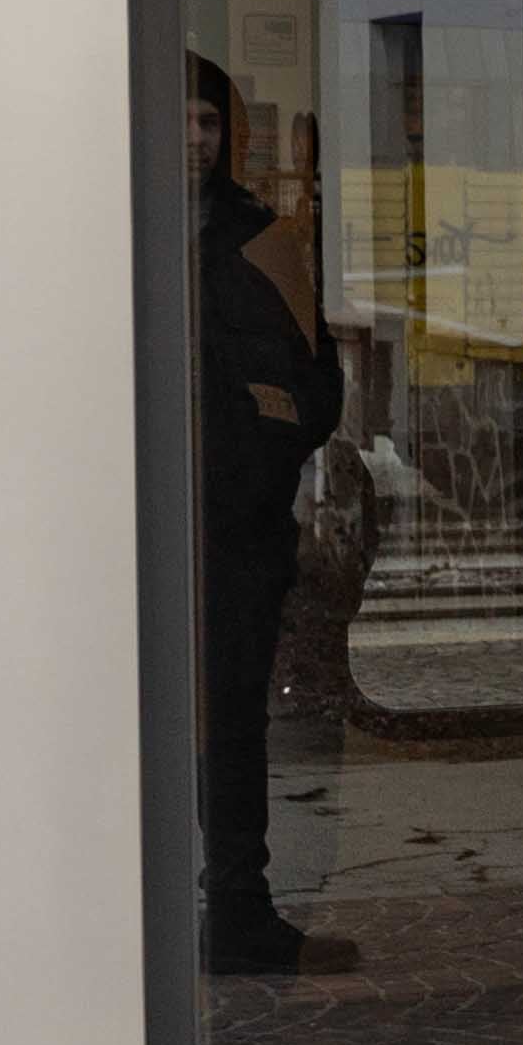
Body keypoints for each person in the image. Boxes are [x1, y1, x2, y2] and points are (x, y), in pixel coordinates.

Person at [183, 57, 346, 978]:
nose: (194, 138)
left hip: (239, 534)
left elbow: (320, 388)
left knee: (232, 729)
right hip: (128, 534)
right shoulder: (106, 233)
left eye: (208, 120)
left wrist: (256, 436)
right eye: (180, 121)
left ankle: (238, 909)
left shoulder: (266, 242)